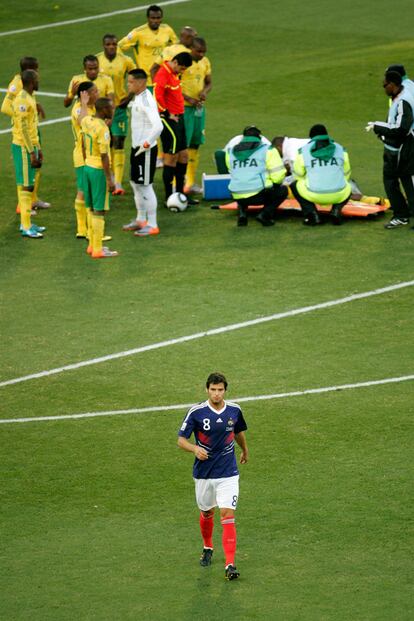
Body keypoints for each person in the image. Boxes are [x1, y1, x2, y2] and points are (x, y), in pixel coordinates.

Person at [177, 372, 248, 581]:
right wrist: (194, 449)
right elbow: (181, 439)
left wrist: (245, 450)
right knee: (207, 513)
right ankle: (208, 546)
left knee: (227, 515)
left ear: (225, 390)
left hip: (228, 473)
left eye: (220, 390)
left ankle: (230, 564)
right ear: (207, 390)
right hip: (204, 474)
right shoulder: (196, 412)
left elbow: (238, 432)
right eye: (213, 389)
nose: (217, 393)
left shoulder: (234, 410)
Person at [366, 70, 414, 229]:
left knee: (406, 182)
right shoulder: (398, 97)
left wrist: (378, 127)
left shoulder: (403, 102)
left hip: (401, 151)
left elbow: (401, 129)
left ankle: (403, 214)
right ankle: (402, 214)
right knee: (393, 181)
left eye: (385, 85)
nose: (383, 88)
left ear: (393, 85)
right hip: (393, 149)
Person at [1, 57, 50, 211]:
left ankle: (33, 200)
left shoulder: (28, 85)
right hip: (24, 133)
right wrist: (21, 118)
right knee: (24, 169)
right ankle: (22, 206)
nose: (38, 72)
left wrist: (35, 106)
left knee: (35, 167)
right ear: (29, 69)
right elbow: (5, 107)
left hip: (33, 130)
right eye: (36, 69)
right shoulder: (17, 83)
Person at [120, 69, 163, 236]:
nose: (128, 84)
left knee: (145, 186)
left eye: (130, 82)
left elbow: (158, 126)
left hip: (144, 151)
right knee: (135, 183)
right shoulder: (138, 97)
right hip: (136, 148)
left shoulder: (146, 100)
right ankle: (141, 219)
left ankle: (152, 224)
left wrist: (146, 144)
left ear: (140, 82)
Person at [153, 51, 198, 205]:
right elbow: (157, 96)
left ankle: (180, 194)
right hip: (169, 120)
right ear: (176, 62)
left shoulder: (173, 73)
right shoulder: (163, 74)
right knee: (171, 157)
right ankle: (168, 197)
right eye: (182, 68)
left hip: (179, 118)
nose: (182, 71)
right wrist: (166, 114)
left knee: (183, 155)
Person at [96, 34, 136, 195]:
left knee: (119, 141)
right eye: (108, 44)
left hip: (119, 108)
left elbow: (138, 78)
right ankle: (109, 177)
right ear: (103, 45)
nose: (111, 47)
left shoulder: (125, 60)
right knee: (107, 143)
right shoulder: (96, 61)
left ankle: (118, 182)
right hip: (101, 110)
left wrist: (129, 97)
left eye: (114, 44)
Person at [226, 125, 288, 226]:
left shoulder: (231, 151)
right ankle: (265, 214)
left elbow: (231, 170)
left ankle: (242, 213)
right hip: (259, 195)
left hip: (236, 194)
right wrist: (274, 184)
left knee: (241, 182)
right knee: (282, 190)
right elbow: (278, 176)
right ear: (259, 137)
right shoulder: (268, 150)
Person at [290, 124, 351, 225]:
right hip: (339, 195)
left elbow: (298, 174)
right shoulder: (340, 149)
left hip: (313, 194)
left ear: (311, 137)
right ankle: (336, 210)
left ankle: (313, 215)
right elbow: (347, 172)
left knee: (294, 185)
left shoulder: (303, 151)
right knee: (348, 184)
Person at [11, 69, 46, 238]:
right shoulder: (22, 101)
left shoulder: (30, 97)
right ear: (32, 82)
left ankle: (27, 223)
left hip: (30, 146)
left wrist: (38, 148)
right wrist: (32, 152)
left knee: (27, 183)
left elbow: (32, 128)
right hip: (23, 147)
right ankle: (25, 226)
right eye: (37, 79)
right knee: (27, 186)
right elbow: (23, 130)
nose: (39, 81)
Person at [81, 98, 118, 258]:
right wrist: (109, 179)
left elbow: (83, 144)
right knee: (99, 210)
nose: (112, 110)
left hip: (87, 166)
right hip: (98, 171)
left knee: (90, 208)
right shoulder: (102, 129)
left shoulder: (87, 120)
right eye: (110, 108)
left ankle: (91, 246)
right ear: (103, 110)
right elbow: (104, 156)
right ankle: (98, 249)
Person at [118, 4, 177, 90]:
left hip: (164, 78)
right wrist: (126, 64)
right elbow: (119, 46)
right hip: (146, 81)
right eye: (153, 18)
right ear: (148, 18)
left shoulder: (167, 30)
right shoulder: (138, 33)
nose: (155, 21)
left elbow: (176, 47)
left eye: (158, 18)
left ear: (161, 18)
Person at [181, 37, 212, 196]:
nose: (201, 54)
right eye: (198, 51)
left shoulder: (205, 62)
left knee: (195, 144)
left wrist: (204, 92)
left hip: (199, 110)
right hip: (184, 110)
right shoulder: (183, 62)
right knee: (182, 147)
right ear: (191, 49)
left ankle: (190, 182)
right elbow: (172, 85)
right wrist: (188, 98)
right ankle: (177, 183)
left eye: (203, 52)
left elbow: (209, 82)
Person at [71, 81, 99, 239]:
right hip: (82, 155)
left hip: (89, 153)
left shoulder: (91, 107)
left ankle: (84, 229)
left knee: (86, 190)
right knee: (84, 191)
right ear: (86, 95)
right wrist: (83, 103)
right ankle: (85, 230)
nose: (98, 93)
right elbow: (84, 122)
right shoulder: (78, 109)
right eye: (95, 91)